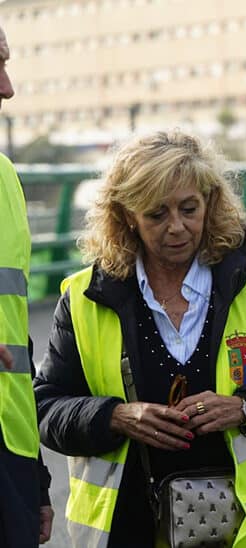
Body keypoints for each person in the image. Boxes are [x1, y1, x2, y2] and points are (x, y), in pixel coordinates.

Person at [33, 130, 246, 547]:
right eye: (156, 214)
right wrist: (115, 417)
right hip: (126, 528)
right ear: (126, 215)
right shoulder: (84, 297)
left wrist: (245, 407)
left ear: (211, 201)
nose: (177, 227)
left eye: (190, 209)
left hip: (243, 531)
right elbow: (46, 407)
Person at [0, 24, 54, 546]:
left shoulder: (5, 178)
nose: (7, 87)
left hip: (9, 455)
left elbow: (16, 335)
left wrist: (34, 478)